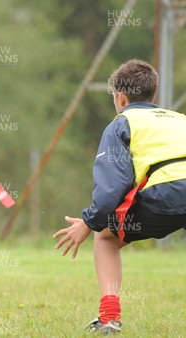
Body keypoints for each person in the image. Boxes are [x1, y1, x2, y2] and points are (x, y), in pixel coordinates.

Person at [53, 59, 186, 334]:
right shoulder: (180, 119)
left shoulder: (122, 123)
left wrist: (90, 222)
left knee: (106, 237)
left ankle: (109, 317)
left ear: (120, 97)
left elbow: (112, 186)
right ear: (153, 95)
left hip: (164, 194)